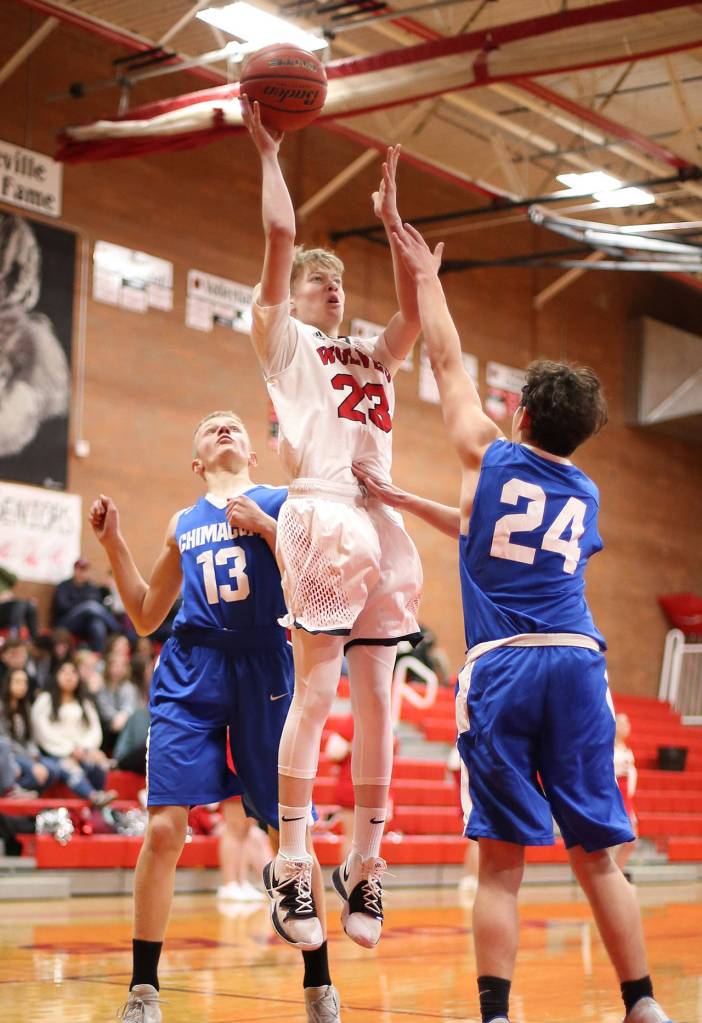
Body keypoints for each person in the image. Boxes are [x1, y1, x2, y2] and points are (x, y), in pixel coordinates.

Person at [352, 222, 672, 1023]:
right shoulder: (588, 495)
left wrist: (425, 274)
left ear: (521, 414)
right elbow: (485, 530)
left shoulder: (488, 453)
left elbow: (446, 360)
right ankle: (642, 1005)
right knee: (599, 855)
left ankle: (496, 1015)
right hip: (576, 661)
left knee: (500, 863)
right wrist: (406, 500)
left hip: (503, 665)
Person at [243, 97, 423, 951]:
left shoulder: (371, 352)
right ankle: (290, 860)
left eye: (338, 281)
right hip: (318, 505)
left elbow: (414, 316)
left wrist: (392, 225)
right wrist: (267, 151)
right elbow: (280, 239)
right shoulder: (285, 341)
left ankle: (366, 863)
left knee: (381, 699)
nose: (334, 287)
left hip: (381, 519)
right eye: (324, 280)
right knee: (317, 692)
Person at [90, 410, 340, 1023]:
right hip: (191, 669)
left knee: (289, 836)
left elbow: (319, 583)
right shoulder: (184, 521)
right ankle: (143, 990)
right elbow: (148, 615)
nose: (224, 427)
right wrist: (113, 543)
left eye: (234, 425)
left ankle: (319, 985)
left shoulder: (282, 501)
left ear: (255, 456)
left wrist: (268, 527)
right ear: (197, 463)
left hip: (266, 667)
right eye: (210, 427)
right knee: (165, 829)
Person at [30, 659, 115, 806]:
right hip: (55, 753)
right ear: (56, 675)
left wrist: (84, 749)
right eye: (64, 672)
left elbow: (94, 730)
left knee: (96, 765)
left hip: (82, 752)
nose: (69, 676)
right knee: (68, 767)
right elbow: (42, 731)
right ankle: (94, 796)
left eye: (73, 673)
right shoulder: (45, 700)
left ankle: (102, 809)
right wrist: (69, 750)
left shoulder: (84, 702)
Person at [51, 558, 122, 652]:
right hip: (66, 622)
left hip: (84, 624)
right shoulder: (64, 586)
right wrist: (82, 605)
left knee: (97, 623)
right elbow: (62, 606)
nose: (82, 573)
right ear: (75, 570)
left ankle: (98, 655)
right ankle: (117, 628)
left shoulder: (92, 588)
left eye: (85, 570)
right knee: (89, 606)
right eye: (80, 569)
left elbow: (99, 606)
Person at [613, 713, 638, 880]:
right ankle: (609, 876)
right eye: (622, 723)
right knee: (608, 841)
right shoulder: (608, 749)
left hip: (626, 798)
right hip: (613, 796)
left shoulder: (627, 750)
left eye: (628, 723)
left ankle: (617, 872)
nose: (626, 726)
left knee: (632, 840)